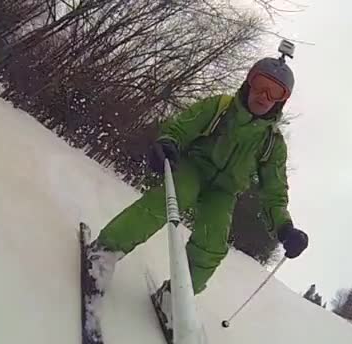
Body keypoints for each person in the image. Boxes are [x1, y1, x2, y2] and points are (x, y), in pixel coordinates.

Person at [84, 43, 309, 335]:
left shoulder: (272, 144)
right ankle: (103, 253)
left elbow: (274, 193)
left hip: (224, 192)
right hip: (194, 167)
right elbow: (181, 127)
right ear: (249, 82)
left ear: (282, 100)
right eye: (260, 86)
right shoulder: (221, 108)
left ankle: (173, 297)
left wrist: (284, 229)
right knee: (168, 201)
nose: (263, 97)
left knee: (213, 242)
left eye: (274, 93)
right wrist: (167, 143)